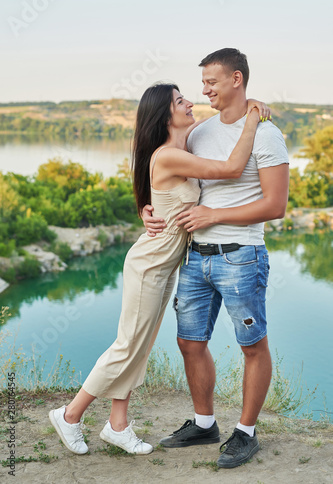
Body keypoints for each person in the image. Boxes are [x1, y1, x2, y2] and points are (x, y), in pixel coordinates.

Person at [48, 82, 267, 456]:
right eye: (181, 101)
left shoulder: (183, 145)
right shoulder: (168, 156)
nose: (191, 103)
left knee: (141, 346)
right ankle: (70, 415)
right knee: (125, 346)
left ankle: (118, 426)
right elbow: (231, 168)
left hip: (167, 267)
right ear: (165, 116)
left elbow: (168, 191)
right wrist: (253, 119)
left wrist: (146, 210)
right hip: (149, 266)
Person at [142, 48, 289, 469]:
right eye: (201, 83)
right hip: (195, 256)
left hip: (241, 256)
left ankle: (245, 433)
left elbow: (276, 205)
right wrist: (148, 208)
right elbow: (164, 173)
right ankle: (205, 424)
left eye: (211, 81)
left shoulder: (266, 134)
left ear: (237, 79)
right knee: (189, 342)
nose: (203, 90)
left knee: (252, 346)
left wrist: (216, 215)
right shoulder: (201, 132)